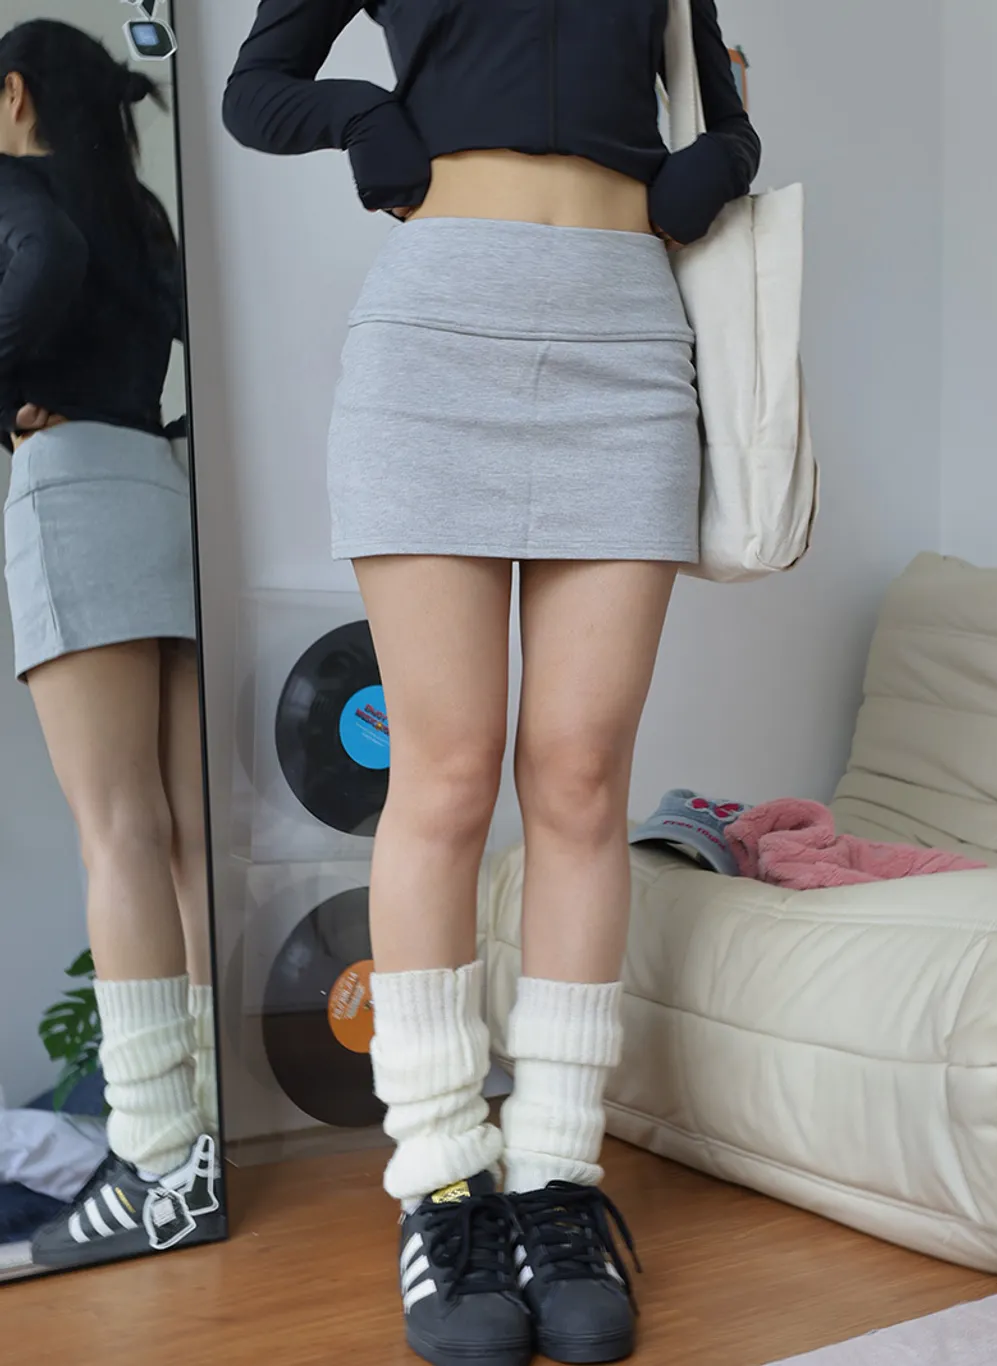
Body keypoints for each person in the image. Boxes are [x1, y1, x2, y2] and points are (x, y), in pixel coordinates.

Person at [224, 3, 759, 1363]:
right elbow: (257, 87)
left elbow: (718, 107)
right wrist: (366, 117)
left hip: (625, 341)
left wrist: (710, 169)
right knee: (447, 774)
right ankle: (446, 1183)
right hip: (435, 332)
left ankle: (558, 1179)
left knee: (580, 776)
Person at [0, 20, 220, 1266]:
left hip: (74, 482)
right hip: (158, 481)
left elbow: (40, 261)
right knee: (181, 836)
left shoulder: (19, 189)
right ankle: (203, 1135)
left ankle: (154, 1157)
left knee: (119, 830)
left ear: (13, 95)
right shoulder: (142, 210)